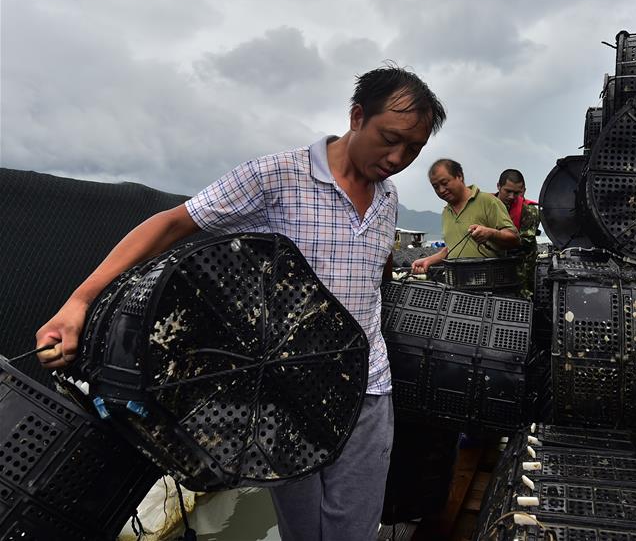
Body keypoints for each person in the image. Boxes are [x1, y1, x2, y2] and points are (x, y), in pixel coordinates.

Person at [34, 64, 447, 541]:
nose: (398, 157)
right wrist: (79, 302)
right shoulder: (276, 176)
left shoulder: (388, 197)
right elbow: (172, 224)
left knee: (355, 527)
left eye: (413, 149)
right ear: (357, 116)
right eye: (389, 138)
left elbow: (372, 278)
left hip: (368, 383)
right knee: (304, 530)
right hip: (286, 397)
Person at [411, 159, 518, 274]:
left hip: (489, 283)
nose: (441, 190)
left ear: (459, 176)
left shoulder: (488, 201)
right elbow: (452, 248)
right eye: (436, 187)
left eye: (445, 183)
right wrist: (428, 260)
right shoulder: (446, 212)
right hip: (458, 286)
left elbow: (514, 239)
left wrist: (490, 233)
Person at [495, 169, 540, 297]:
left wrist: (492, 235)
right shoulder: (486, 205)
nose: (511, 197)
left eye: (516, 193)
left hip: (520, 271)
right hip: (492, 266)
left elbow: (524, 242)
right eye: (507, 191)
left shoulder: (530, 211)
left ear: (523, 191)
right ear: (498, 186)